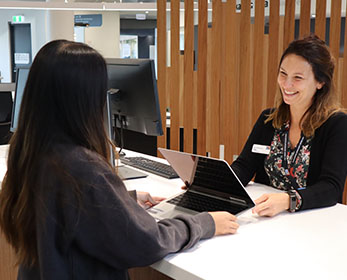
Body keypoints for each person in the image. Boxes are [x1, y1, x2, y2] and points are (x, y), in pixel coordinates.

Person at [0, 40, 239, 280]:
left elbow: (65, 211)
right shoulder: (81, 167)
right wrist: (203, 224)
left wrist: (123, 201)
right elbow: (144, 244)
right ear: (83, 100)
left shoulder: (30, 152)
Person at [231, 34, 347, 217]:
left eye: (298, 77)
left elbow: (331, 187)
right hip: (267, 217)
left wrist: (288, 200)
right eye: (283, 74)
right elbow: (244, 167)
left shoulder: (336, 124)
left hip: (313, 221)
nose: (287, 84)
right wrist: (214, 182)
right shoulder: (268, 120)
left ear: (320, 82)